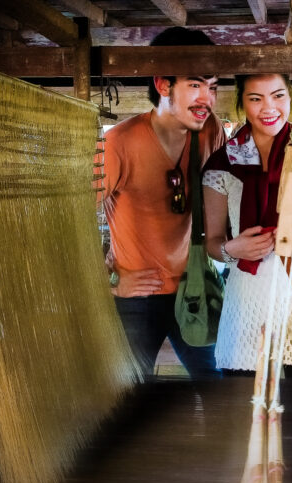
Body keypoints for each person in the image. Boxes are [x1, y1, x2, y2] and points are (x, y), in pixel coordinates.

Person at [202, 73, 292, 374]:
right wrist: (233, 248)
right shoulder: (221, 164)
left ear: (290, 98)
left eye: (278, 96)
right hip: (247, 301)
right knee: (244, 407)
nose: (269, 108)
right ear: (241, 103)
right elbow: (213, 243)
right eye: (255, 99)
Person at [102, 27, 226, 378]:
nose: (207, 99)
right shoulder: (118, 144)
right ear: (162, 84)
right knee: (128, 398)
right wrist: (109, 283)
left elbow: (226, 200)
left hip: (195, 288)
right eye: (195, 85)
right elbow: (67, 220)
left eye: (213, 87)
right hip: (136, 298)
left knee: (216, 386)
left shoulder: (212, 131)